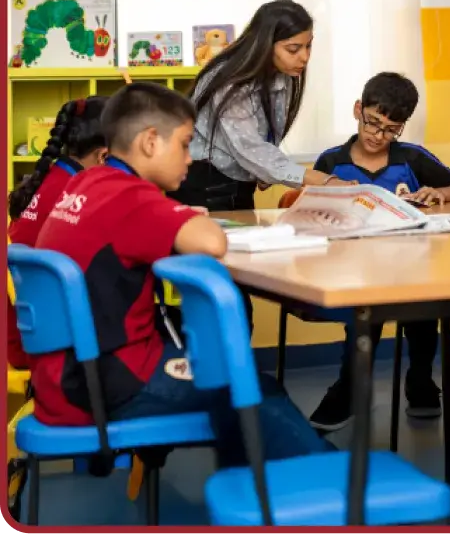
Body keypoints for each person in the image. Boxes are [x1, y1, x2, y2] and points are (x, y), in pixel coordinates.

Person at [34, 82, 332, 468]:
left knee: (239, 378)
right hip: (109, 382)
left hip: (65, 377)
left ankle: (262, 497)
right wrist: (184, 213)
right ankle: (334, 499)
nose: (190, 160)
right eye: (185, 143)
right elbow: (211, 243)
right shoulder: (129, 195)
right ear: (150, 141)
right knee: (250, 387)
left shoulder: (86, 182)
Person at [308, 72, 450, 431]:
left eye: (391, 129)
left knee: (423, 309)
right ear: (358, 110)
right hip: (352, 269)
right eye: (373, 123)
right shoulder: (331, 162)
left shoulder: (412, 158)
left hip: (411, 262)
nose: (378, 135)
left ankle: (420, 380)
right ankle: (350, 388)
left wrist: (441, 193)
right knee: (363, 318)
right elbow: (309, 209)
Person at [171, 0, 353, 212]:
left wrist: (265, 171)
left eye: (308, 45)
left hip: (237, 185)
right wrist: (322, 180)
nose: (304, 57)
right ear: (265, 44)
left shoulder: (282, 74)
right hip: (206, 186)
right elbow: (250, 148)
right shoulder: (230, 82)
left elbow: (265, 136)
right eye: (293, 49)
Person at [7, 97, 108, 369]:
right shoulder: (78, 191)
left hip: (23, 327)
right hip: (39, 340)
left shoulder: (49, 176)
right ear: (104, 156)